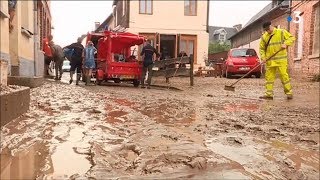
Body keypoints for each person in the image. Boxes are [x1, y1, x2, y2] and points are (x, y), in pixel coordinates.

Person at [259, 21, 295, 100]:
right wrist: (263, 58)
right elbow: (262, 49)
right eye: (266, 30)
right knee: (269, 78)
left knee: (284, 76)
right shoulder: (264, 37)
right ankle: (269, 94)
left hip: (281, 60)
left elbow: (292, 38)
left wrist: (286, 43)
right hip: (270, 61)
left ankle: (289, 93)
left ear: (271, 26)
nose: (268, 31)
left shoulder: (281, 32)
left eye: (268, 29)